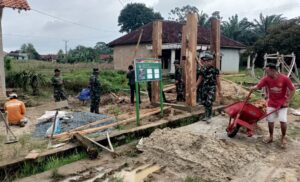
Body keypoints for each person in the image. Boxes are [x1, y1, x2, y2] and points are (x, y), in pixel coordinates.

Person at [251, 63, 295, 148]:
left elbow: (292, 90)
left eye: (267, 71)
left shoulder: (284, 78)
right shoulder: (266, 79)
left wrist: (287, 100)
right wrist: (253, 88)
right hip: (271, 103)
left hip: (282, 104)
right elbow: (259, 86)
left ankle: (283, 138)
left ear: (273, 70)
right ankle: (271, 136)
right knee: (270, 121)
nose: (266, 73)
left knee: (283, 121)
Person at [196, 54, 222, 123]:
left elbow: (218, 80)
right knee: (204, 102)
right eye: (206, 61)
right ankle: (206, 115)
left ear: (212, 61)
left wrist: (220, 90)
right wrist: (195, 86)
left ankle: (209, 116)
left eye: (209, 61)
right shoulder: (203, 69)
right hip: (204, 88)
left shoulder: (215, 70)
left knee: (209, 101)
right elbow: (200, 78)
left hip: (211, 88)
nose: (207, 62)